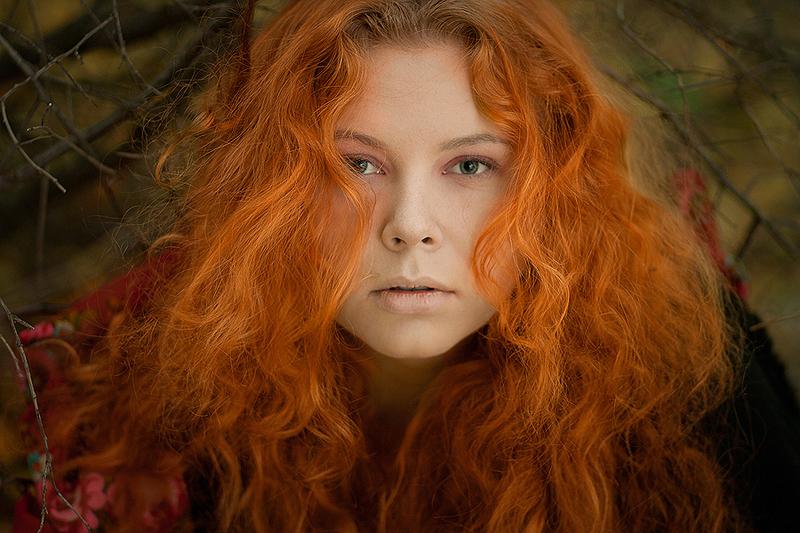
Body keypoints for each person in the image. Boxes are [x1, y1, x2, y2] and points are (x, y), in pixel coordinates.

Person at [5, 0, 800, 531]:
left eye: (470, 166)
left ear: (553, 189)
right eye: (356, 164)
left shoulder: (684, 366)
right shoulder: (142, 383)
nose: (409, 227)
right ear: (272, 190)